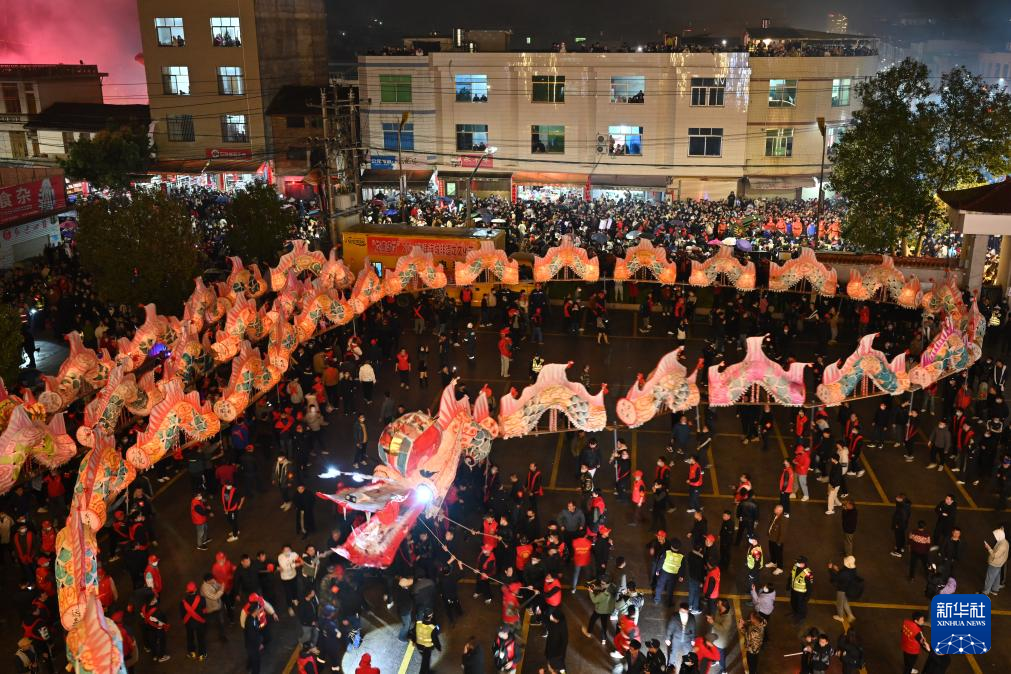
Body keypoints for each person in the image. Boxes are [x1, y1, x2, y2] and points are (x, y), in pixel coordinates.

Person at [179, 581, 208, 661]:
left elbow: (182, 614)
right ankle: (202, 654)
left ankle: (192, 652)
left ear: (187, 591)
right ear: (195, 589)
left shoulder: (183, 602)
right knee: (200, 638)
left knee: (190, 638)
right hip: (199, 623)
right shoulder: (202, 599)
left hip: (189, 623)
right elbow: (204, 611)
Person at [583, 576, 615, 645]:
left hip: (599, 610)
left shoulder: (603, 595)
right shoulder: (613, 587)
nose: (601, 585)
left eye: (602, 584)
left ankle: (588, 633)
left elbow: (594, 600)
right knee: (604, 625)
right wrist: (596, 587)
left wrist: (590, 591)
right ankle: (604, 639)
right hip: (607, 610)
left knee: (592, 620)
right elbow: (604, 588)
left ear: (607, 583)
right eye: (601, 583)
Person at [409, 609, 442, 674]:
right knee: (425, 662)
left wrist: (413, 641)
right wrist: (439, 648)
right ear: (430, 617)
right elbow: (435, 640)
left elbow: (413, 633)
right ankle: (426, 672)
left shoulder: (418, 623)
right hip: (427, 648)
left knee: (425, 660)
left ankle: (427, 671)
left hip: (419, 646)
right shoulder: (432, 628)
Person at [664, 603, 696, 667]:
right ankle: (671, 665)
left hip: (687, 639)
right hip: (676, 638)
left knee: (688, 653)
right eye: (681, 611)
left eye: (684, 611)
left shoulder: (692, 617)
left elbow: (693, 628)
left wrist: (693, 639)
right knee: (673, 652)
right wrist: (667, 638)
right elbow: (670, 627)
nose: (682, 613)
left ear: (687, 611)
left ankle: (687, 666)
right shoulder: (675, 616)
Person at [829, 556, 858, 623]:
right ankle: (850, 615)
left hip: (841, 589)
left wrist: (830, 569)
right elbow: (843, 575)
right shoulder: (852, 570)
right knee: (844, 601)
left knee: (839, 603)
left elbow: (835, 578)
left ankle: (840, 617)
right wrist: (838, 570)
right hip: (847, 588)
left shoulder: (844, 572)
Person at [983, 526, 1008, 595]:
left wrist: (988, 548)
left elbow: (995, 555)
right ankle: (994, 590)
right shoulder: (1004, 541)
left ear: (1000, 535)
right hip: (999, 564)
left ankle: (985, 592)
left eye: (996, 535)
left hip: (995, 563)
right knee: (997, 577)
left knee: (989, 578)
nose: (995, 537)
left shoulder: (1002, 545)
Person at [789, 556, 814, 622]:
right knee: (793, 602)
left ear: (803, 563)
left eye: (798, 562)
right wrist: (788, 584)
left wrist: (807, 597)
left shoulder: (808, 573)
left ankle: (801, 617)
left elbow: (809, 586)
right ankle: (795, 613)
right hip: (793, 590)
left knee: (801, 606)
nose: (797, 563)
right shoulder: (795, 567)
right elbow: (791, 576)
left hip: (801, 593)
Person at [544, 609, 568, 673]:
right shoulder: (560, 624)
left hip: (555, 653)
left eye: (553, 617)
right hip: (553, 651)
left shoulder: (558, 663)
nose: (551, 617)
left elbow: (563, 671)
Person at [766, 504, 787, 574]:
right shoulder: (775, 515)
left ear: (779, 510)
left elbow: (783, 533)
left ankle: (780, 568)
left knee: (778, 554)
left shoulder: (783, 519)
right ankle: (773, 562)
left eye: (775, 508)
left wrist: (779, 542)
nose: (774, 509)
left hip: (777, 540)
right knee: (772, 551)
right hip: (772, 538)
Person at [891, 493, 912, 558]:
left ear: (901, 499)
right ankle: (902, 547)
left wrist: (898, 525)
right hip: (903, 525)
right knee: (902, 535)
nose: (896, 498)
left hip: (900, 525)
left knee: (898, 537)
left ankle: (898, 551)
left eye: (897, 498)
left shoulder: (902, 508)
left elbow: (903, 518)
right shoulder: (905, 505)